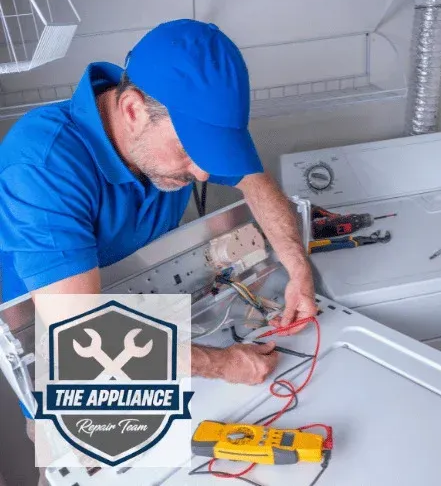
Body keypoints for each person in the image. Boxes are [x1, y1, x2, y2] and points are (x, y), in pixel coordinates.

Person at [0, 19, 317, 388]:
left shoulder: (165, 123)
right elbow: (78, 333)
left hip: (143, 324)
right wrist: (221, 364)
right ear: (133, 111)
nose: (202, 172)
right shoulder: (42, 168)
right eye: (189, 151)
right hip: (60, 348)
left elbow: (256, 182)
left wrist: (298, 269)